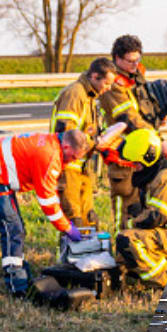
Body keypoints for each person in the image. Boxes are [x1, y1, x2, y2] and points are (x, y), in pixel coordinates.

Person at [0, 128, 92, 296]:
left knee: (17, 228)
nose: (72, 162)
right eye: (73, 157)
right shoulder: (50, 156)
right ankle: (17, 287)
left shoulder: (52, 144)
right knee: (13, 230)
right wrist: (67, 228)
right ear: (66, 147)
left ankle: (20, 272)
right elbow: (47, 201)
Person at [104, 126, 167, 294]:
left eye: (136, 164)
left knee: (131, 240)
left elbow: (155, 217)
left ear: (149, 157)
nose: (134, 169)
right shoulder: (155, 176)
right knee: (124, 251)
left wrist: (131, 222)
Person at [98, 34, 163, 228]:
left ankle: (136, 247)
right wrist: (157, 140)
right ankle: (122, 247)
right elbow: (129, 118)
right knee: (126, 206)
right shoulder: (113, 85)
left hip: (141, 152)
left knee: (142, 205)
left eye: (138, 59)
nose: (135, 64)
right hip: (122, 155)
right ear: (117, 59)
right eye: (130, 61)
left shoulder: (134, 78)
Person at [51, 58, 117, 230]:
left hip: (81, 168)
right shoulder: (75, 94)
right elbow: (66, 134)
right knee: (74, 220)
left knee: (89, 220)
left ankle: (85, 255)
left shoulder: (89, 97)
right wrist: (94, 142)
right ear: (95, 76)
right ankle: (69, 256)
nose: (109, 88)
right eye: (107, 83)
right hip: (68, 167)